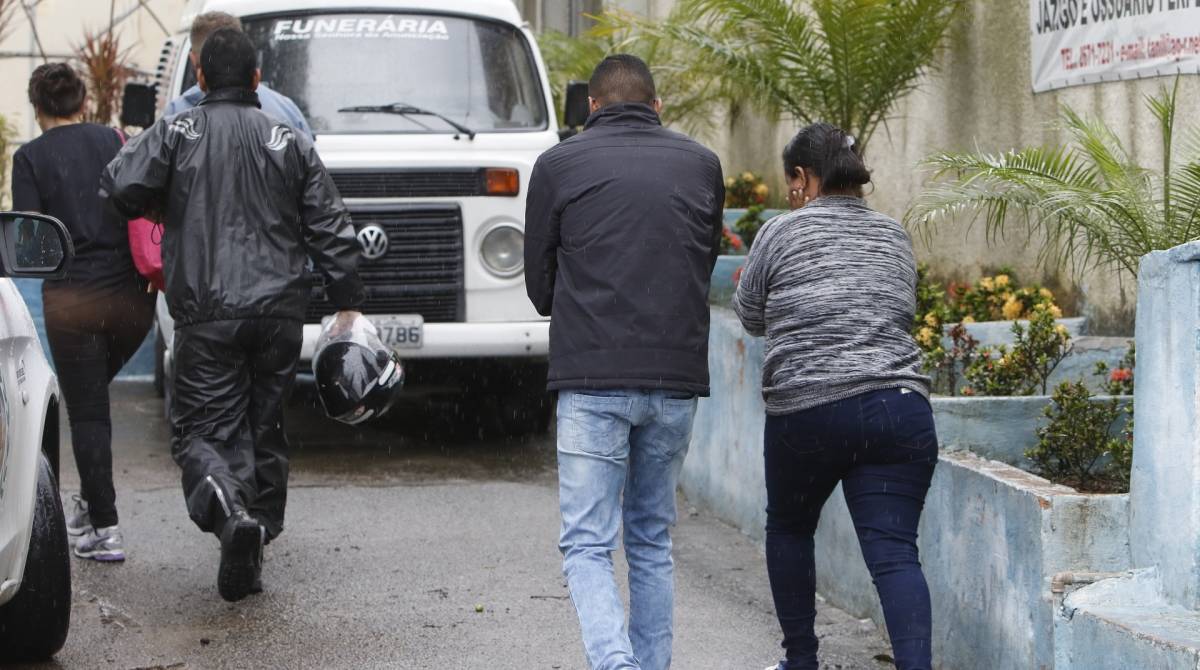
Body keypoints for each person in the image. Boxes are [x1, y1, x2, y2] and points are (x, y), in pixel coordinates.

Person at [101, 28, 364, 602]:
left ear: (198, 77)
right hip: (278, 315)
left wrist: (159, 199)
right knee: (264, 423)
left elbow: (118, 183)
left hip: (207, 311)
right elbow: (331, 226)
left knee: (200, 433)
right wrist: (347, 301)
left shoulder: (178, 130)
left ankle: (230, 519)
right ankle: (258, 531)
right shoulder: (288, 137)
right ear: (256, 80)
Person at [525, 54, 724, 670]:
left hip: (592, 377)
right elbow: (701, 258)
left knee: (587, 543)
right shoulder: (701, 164)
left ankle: (616, 662)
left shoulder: (558, 165)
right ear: (657, 106)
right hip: (674, 378)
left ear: (592, 106)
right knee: (650, 540)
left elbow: (539, 285)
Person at [734, 123, 937, 670]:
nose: (789, 194)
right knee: (895, 554)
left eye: (790, 182)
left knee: (791, 528)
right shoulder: (893, 235)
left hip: (809, 411)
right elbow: (899, 312)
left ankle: (801, 660)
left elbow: (751, 317)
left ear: (803, 177)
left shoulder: (779, 233)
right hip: (899, 408)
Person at [11, 63, 156, 563]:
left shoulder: (30, 157)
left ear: (37, 107)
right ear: (83, 102)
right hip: (135, 302)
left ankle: (106, 527)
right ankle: (90, 505)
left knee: (88, 411)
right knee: (90, 399)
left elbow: (31, 241)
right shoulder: (117, 140)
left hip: (74, 301)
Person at [164, 11, 313, 140]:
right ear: (256, 77)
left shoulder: (176, 114)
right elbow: (310, 168)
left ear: (194, 61)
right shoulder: (286, 111)